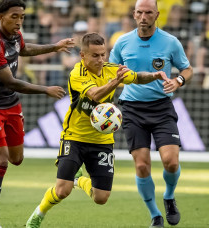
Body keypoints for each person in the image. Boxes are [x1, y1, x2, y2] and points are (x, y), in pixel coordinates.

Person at [26, 33, 170, 228]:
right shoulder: (77, 74)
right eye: (95, 56)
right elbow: (95, 95)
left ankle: (80, 181)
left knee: (101, 198)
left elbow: (137, 77)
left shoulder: (111, 70)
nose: (101, 60)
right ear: (82, 55)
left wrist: (154, 75)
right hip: (74, 137)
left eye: (103, 54)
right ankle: (38, 214)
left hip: (102, 140)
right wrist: (116, 82)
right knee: (62, 190)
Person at [0, 0, 75, 227]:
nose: (19, 21)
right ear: (0, 16)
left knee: (16, 159)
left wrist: (55, 46)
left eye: (22, 17)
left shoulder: (14, 35)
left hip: (11, 105)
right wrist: (45, 89)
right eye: (14, 17)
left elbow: (24, 49)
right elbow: (11, 81)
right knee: (0, 160)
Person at [109, 0, 193, 227]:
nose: (143, 16)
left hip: (162, 107)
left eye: (148, 12)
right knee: (142, 165)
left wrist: (178, 80)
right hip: (132, 108)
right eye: (139, 12)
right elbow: (110, 71)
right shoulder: (122, 42)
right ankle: (155, 214)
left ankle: (168, 196)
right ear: (134, 15)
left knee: (171, 162)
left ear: (156, 15)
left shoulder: (170, 42)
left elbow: (187, 68)